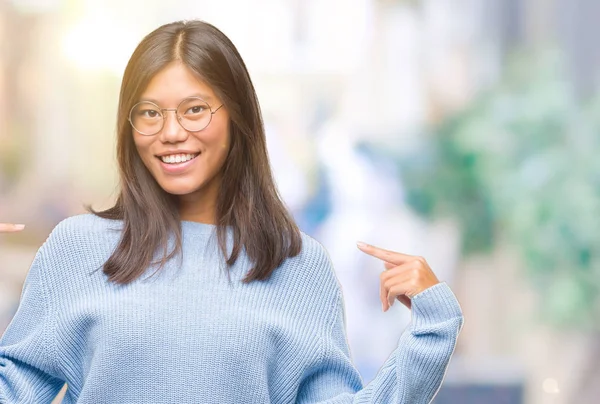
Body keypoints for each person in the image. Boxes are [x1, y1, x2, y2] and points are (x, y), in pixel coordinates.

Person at [0, 20, 463, 404]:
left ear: (236, 116)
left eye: (195, 109)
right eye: (149, 113)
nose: (171, 132)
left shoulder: (298, 266)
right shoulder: (76, 248)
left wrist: (432, 331)